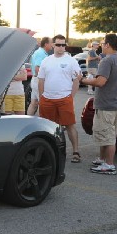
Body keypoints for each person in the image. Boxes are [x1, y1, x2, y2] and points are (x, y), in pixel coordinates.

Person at [80, 34, 117, 175]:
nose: (101, 46)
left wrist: (83, 80)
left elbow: (100, 82)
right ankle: (102, 159)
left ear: (108, 45)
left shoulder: (107, 61)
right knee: (105, 133)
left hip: (107, 105)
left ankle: (109, 165)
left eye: (103, 43)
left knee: (108, 136)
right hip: (116, 104)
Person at [38, 34, 82, 163]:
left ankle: (76, 152)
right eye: (58, 45)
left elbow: (77, 80)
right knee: (47, 127)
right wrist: (41, 98)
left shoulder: (71, 61)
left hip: (64, 99)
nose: (61, 47)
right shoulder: (46, 60)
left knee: (70, 125)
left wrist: (70, 97)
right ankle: (48, 152)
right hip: (47, 100)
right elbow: (41, 80)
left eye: (63, 45)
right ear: (53, 45)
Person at [27, 36, 52, 115]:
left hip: (35, 80)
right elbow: (38, 68)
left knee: (34, 103)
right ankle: (43, 124)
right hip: (39, 81)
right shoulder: (41, 53)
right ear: (46, 44)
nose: (53, 45)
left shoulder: (40, 52)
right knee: (43, 104)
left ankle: (28, 121)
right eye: (51, 43)